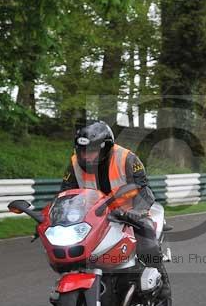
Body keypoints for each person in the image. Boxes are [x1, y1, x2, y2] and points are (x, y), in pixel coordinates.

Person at [61, 121, 170, 296]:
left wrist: (136, 214)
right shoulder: (74, 165)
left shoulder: (127, 158)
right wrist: (56, 218)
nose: (87, 156)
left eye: (93, 151)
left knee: (146, 238)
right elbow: (66, 195)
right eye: (83, 151)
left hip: (128, 214)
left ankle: (161, 280)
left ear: (106, 148)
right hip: (94, 218)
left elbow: (143, 188)